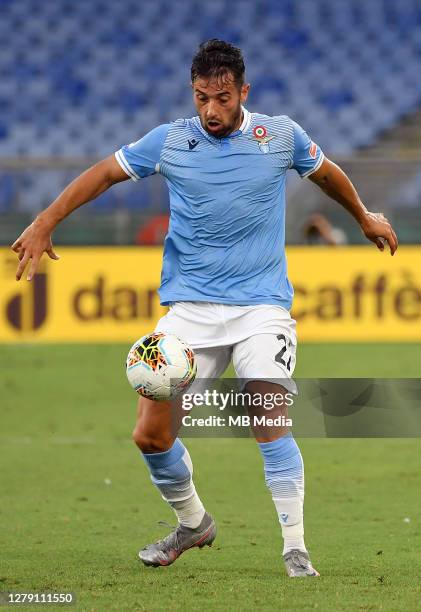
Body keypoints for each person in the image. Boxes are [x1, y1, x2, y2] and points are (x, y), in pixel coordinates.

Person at [11, 39, 398, 578]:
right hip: (190, 309)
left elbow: (326, 171)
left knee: (267, 410)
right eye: (200, 98)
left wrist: (362, 214)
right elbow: (103, 173)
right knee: (150, 434)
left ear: (243, 91)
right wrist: (45, 220)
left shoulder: (279, 135)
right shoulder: (170, 142)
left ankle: (295, 547)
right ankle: (193, 524)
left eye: (221, 97)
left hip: (262, 304)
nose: (210, 110)